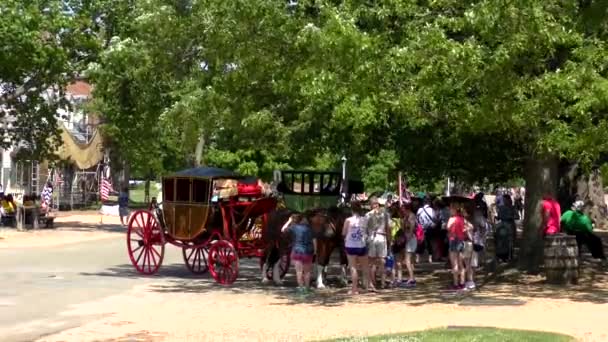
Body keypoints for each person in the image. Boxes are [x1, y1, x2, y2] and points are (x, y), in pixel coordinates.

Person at [282, 213, 315, 294]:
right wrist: (315, 252)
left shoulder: (294, 227)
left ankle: (301, 287)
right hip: (308, 251)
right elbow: (314, 240)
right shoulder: (310, 229)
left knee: (299, 271)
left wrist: (289, 221)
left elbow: (283, 230)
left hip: (297, 251)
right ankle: (307, 288)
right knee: (307, 271)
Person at [343, 201, 370, 295]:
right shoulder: (365, 219)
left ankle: (355, 288)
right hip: (361, 245)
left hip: (350, 245)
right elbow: (367, 230)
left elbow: (344, 232)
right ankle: (367, 286)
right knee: (365, 267)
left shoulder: (348, 220)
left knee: (353, 267)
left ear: (351, 209)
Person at [366, 197, 391, 290]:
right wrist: (389, 240)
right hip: (381, 237)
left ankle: (373, 283)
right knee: (381, 261)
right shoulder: (385, 215)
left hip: (372, 238)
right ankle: (382, 283)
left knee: (372, 262)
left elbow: (364, 229)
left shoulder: (368, 215)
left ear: (370, 205)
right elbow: (388, 228)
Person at [447, 203, 466, 290]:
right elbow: (465, 229)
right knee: (461, 264)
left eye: (451, 209)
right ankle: (462, 283)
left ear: (454, 210)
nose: (449, 211)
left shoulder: (452, 219)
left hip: (453, 240)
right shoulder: (462, 219)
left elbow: (447, 227)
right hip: (461, 240)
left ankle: (455, 283)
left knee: (454, 264)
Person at [416, 196, 438, 263]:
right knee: (429, 243)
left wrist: (419, 226)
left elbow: (417, 220)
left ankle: (418, 258)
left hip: (421, 229)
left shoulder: (419, 210)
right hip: (429, 228)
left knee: (420, 243)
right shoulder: (431, 210)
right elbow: (435, 219)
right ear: (429, 202)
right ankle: (430, 258)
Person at [401, 203, 418, 287]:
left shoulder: (411, 216)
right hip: (408, 238)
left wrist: (407, 240)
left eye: (403, 209)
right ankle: (411, 277)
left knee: (407, 260)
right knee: (409, 260)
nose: (402, 210)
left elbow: (411, 229)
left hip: (410, 239)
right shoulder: (406, 217)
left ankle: (411, 278)